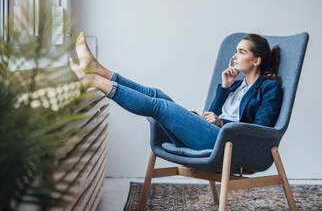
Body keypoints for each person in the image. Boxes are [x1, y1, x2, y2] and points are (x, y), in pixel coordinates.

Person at [69, 32, 283, 151]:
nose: (235, 56)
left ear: (256, 60)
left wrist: (222, 123)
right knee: (157, 95)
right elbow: (210, 115)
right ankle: (101, 71)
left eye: (241, 52)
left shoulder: (269, 87)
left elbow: (260, 129)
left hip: (230, 145)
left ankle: (93, 79)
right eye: (235, 51)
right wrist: (225, 87)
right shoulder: (236, 85)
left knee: (160, 106)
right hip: (211, 136)